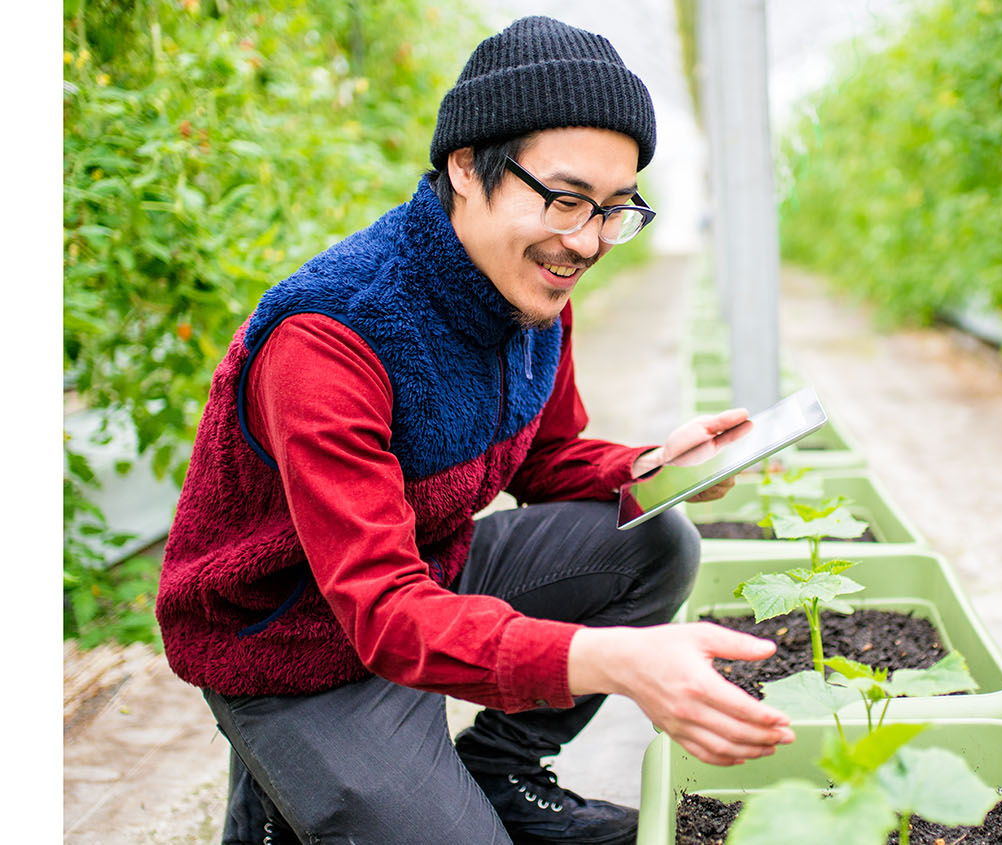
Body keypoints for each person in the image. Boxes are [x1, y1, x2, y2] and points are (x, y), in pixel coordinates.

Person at [154, 16, 794, 845]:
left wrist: (654, 465)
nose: (587, 240)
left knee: (656, 540)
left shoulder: (530, 288)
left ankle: (499, 772)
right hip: (296, 642)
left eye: (613, 208)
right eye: (565, 200)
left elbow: (552, 456)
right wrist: (613, 661)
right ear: (465, 165)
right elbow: (382, 611)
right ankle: (280, 787)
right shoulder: (332, 335)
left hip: (422, 572)